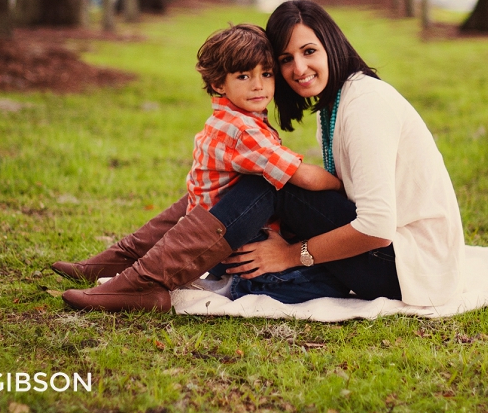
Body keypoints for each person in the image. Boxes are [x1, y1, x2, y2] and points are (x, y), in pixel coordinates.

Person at [55, 0, 466, 311]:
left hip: (402, 265)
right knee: (245, 181)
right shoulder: (336, 101)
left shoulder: (364, 106)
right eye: (285, 59)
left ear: (332, 44)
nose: (297, 69)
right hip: (386, 250)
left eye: (309, 51)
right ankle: (124, 266)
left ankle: (142, 280)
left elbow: (376, 226)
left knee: (267, 179)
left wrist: (291, 253)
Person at [57, 23, 347, 311]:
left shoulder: (226, 119)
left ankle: (112, 265)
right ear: (219, 83)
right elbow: (303, 176)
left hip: (211, 233)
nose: (258, 85)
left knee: (189, 208)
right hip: (236, 245)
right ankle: (156, 285)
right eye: (244, 76)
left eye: (266, 74)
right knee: (331, 283)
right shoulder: (243, 130)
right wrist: (340, 182)